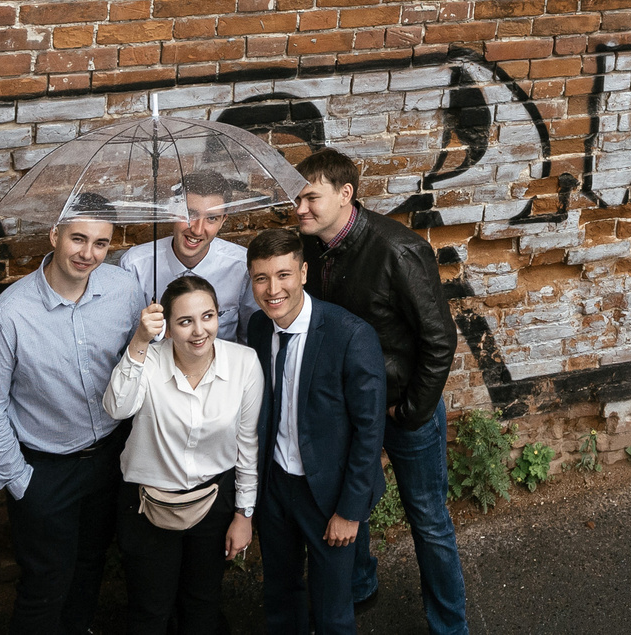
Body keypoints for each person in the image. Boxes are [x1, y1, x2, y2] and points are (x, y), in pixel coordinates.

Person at [293, 148, 467, 632]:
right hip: (348, 409)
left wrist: (410, 412)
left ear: (345, 194)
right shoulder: (309, 247)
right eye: (296, 200)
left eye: (310, 198)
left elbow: (440, 339)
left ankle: (450, 626)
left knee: (428, 519)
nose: (299, 209)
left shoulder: (398, 250)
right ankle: (360, 586)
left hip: (400, 407)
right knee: (353, 503)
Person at [0, 194, 148, 635]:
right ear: (55, 235)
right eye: (78, 239)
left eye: (101, 243)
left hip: (109, 459)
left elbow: (138, 365)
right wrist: (20, 481)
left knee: (90, 567)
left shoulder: (124, 289)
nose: (89, 253)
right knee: (45, 585)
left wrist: (148, 337)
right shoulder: (7, 316)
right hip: (45, 470)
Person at [243, 225, 386, 635]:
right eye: (261, 278)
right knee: (280, 595)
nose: (273, 289)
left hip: (328, 493)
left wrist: (350, 511)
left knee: (332, 609)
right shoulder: (258, 328)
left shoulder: (350, 335)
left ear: (303, 273)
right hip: (275, 485)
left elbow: (369, 431)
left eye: (283, 275)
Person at [107, 273, 263, 635]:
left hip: (213, 502)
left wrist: (244, 514)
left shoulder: (244, 363)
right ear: (167, 327)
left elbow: (247, 445)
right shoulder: (147, 359)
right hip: (146, 504)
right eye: (185, 321)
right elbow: (116, 407)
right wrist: (139, 340)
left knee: (202, 605)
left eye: (208, 316)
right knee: (150, 610)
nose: (199, 331)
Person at [120, 170, 254, 340]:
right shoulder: (135, 265)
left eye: (212, 218)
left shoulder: (242, 266)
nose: (197, 230)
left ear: (223, 221)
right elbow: (127, 339)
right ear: (172, 210)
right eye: (190, 214)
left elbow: (250, 337)